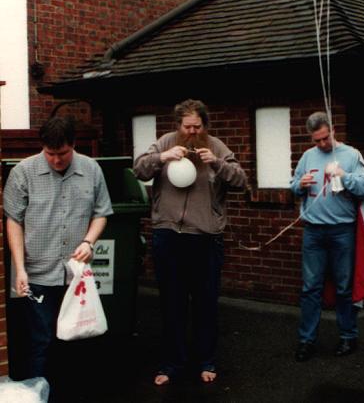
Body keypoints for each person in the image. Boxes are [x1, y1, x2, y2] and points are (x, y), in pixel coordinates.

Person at [133, 98, 247, 386]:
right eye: (188, 126)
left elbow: (241, 181)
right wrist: (163, 157)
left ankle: (205, 361)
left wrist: (218, 164)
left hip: (205, 237)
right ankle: (171, 363)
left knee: (205, 304)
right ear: (178, 125)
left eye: (198, 126)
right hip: (167, 234)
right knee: (172, 303)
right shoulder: (165, 142)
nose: (193, 132)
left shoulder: (217, 146)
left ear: (205, 125)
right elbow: (139, 170)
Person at [3, 115, 113, 387]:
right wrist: (20, 268)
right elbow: (13, 221)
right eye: (50, 154)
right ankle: (37, 391)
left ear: (73, 145)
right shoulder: (23, 172)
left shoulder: (91, 169)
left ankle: (75, 389)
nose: (56, 160)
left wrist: (89, 241)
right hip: (37, 272)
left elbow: (101, 213)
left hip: (76, 274)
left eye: (62, 153)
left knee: (79, 335)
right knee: (41, 337)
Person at [290, 111, 364, 362]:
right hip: (313, 231)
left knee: (344, 287)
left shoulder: (351, 155)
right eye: (317, 141)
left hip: (342, 231)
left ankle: (348, 336)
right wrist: (299, 185)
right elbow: (293, 186)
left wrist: (344, 177)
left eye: (325, 138)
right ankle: (306, 341)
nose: (322, 144)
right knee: (310, 288)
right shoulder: (307, 156)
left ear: (332, 130)